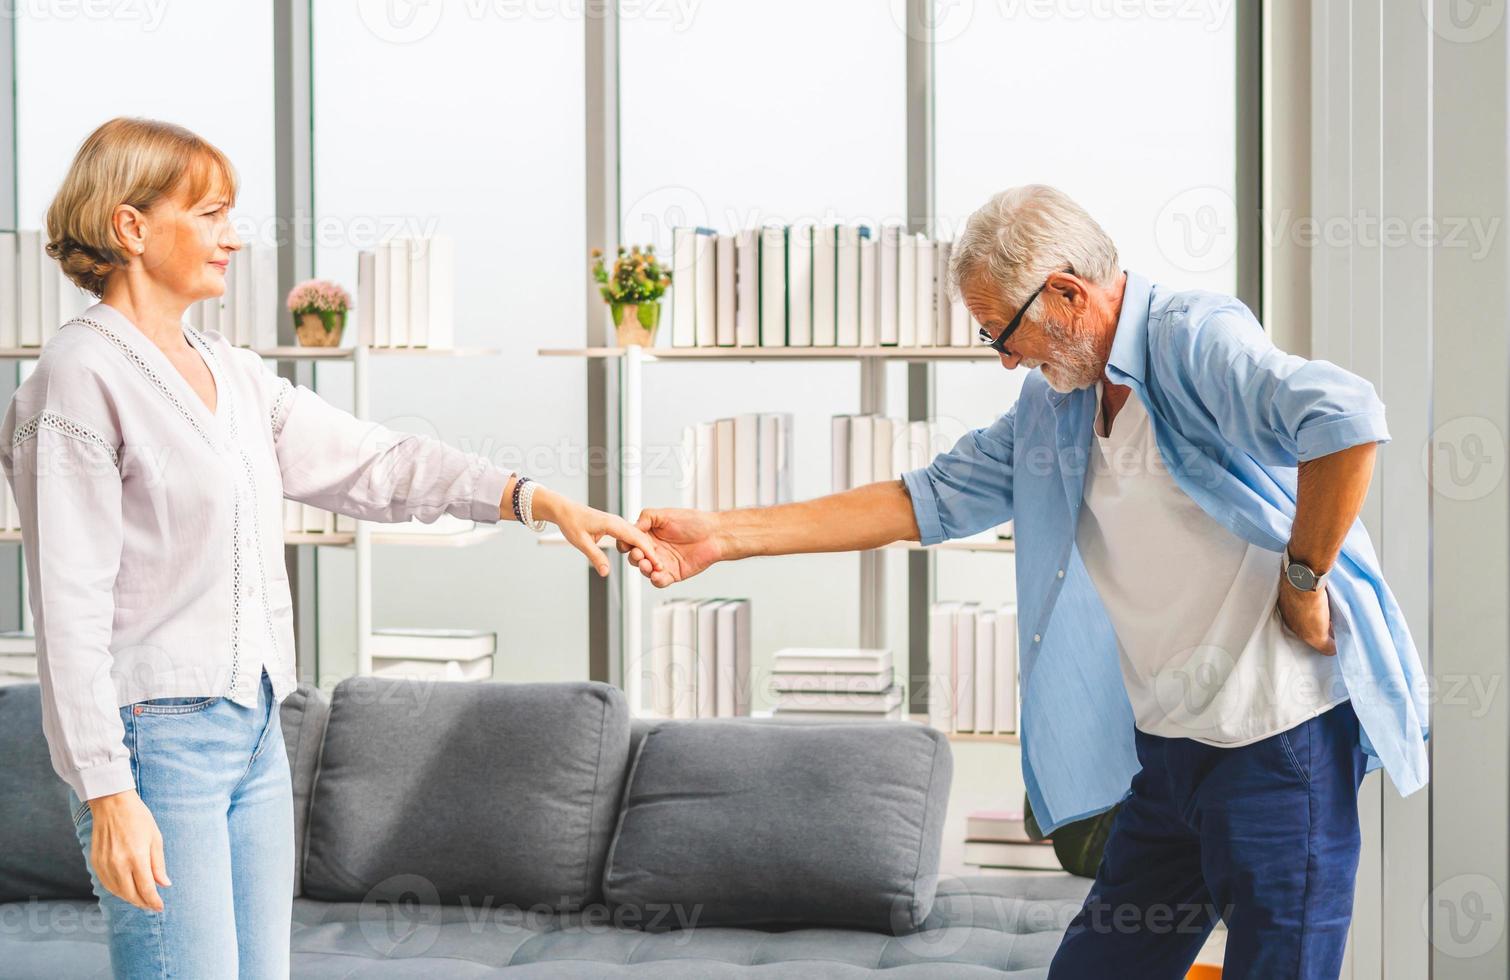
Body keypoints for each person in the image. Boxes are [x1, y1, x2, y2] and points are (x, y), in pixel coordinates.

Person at [618, 184, 1430, 979]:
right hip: (1173, 753)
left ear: (1068, 293)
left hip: (1278, 747)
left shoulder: (1194, 340)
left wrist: (1302, 578)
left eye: (1002, 334)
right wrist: (722, 536)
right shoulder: (1057, 407)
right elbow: (920, 500)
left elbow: (1347, 419)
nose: (1007, 358)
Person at [0, 116, 660, 979]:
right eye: (208, 215)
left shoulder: (229, 372)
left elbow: (377, 463)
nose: (231, 238)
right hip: (156, 742)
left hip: (255, 730)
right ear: (129, 227)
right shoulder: (77, 378)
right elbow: (68, 610)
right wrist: (106, 790)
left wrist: (529, 497)